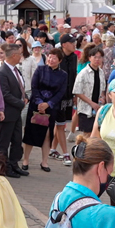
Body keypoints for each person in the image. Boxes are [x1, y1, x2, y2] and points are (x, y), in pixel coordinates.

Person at [21, 48, 68, 173]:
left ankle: (44, 161)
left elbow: (61, 92)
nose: (51, 59)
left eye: (54, 58)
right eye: (49, 56)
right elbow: (34, 87)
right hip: (36, 105)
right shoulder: (40, 70)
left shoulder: (63, 75)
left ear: (60, 60)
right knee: (30, 132)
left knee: (48, 134)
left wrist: (48, 104)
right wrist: (40, 103)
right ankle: (26, 159)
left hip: (51, 107)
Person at [0, 43, 28, 178]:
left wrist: (25, 97)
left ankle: (14, 164)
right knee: (5, 141)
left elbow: (20, 87)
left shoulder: (16, 70)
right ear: (14, 55)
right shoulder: (2, 72)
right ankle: (4, 167)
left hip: (16, 113)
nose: (21, 56)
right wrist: (20, 103)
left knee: (16, 140)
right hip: (8, 112)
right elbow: (4, 93)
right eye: (20, 54)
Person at [50, 34, 78, 163]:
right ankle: (66, 153)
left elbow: (74, 76)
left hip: (68, 95)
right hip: (57, 96)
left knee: (61, 124)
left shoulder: (74, 57)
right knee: (60, 125)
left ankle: (52, 149)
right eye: (72, 42)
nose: (74, 44)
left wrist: (74, 94)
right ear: (64, 44)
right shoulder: (57, 57)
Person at [72, 47, 106, 141]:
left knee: (97, 135)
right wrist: (91, 103)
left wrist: (102, 97)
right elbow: (77, 91)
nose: (97, 59)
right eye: (95, 57)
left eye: (100, 57)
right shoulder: (83, 73)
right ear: (90, 58)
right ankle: (81, 154)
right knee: (87, 135)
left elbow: (102, 89)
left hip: (98, 108)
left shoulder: (101, 72)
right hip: (85, 109)